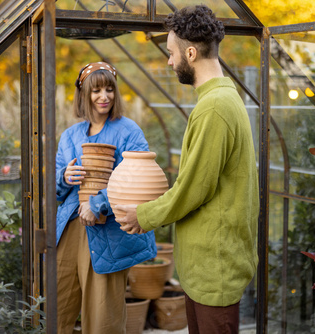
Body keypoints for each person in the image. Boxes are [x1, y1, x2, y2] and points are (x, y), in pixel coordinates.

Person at [115, 5, 259, 333]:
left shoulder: (215, 108)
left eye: (171, 53)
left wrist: (144, 216)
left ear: (190, 53)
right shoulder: (220, 99)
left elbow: (193, 187)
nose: (169, 61)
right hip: (206, 267)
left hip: (216, 269)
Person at [55, 61, 157, 334]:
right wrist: (64, 177)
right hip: (69, 229)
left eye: (109, 89)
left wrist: (97, 204)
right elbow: (54, 190)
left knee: (103, 316)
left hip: (108, 232)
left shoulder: (128, 131)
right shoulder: (69, 136)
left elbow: (138, 179)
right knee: (57, 306)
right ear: (84, 94)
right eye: (96, 90)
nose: (104, 97)